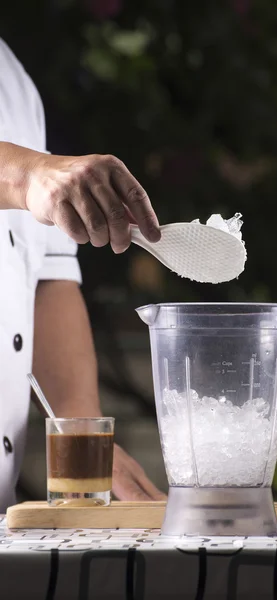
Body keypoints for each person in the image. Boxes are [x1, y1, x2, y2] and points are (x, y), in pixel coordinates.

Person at [0, 37, 165, 511]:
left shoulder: (9, 75)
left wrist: (80, 432)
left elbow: (45, 278)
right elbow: (30, 179)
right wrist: (27, 174)